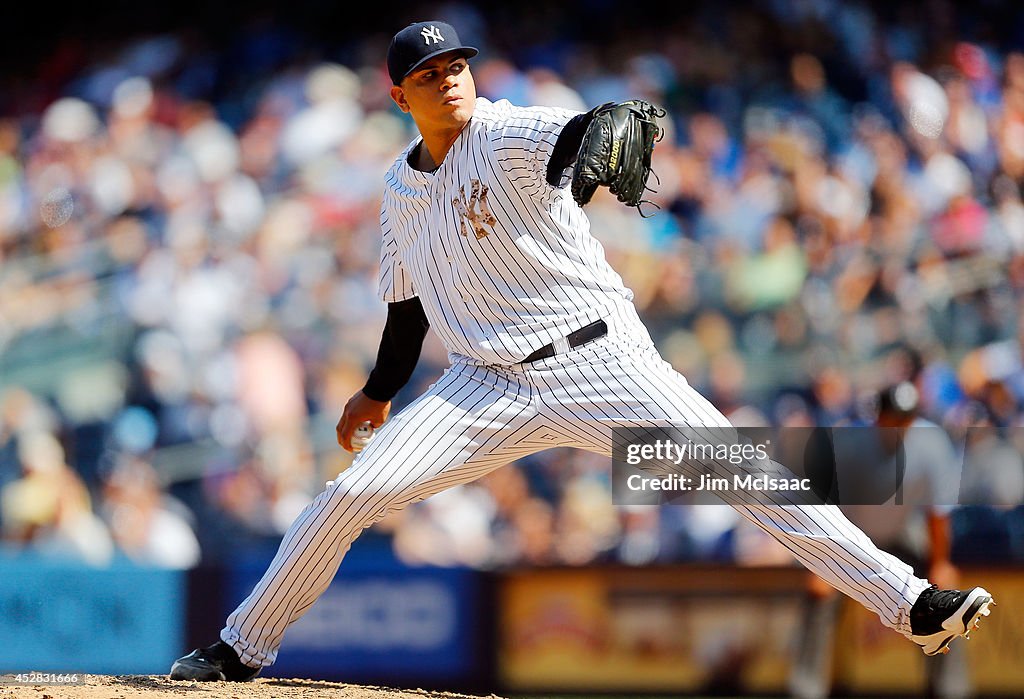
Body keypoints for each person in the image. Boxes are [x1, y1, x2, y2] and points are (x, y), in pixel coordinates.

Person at [169, 21, 994, 682]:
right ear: (399, 96)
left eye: (457, 64)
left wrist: (607, 133)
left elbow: (576, 134)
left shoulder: (507, 133)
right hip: (482, 385)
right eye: (429, 73)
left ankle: (913, 604)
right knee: (349, 493)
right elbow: (408, 307)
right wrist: (379, 391)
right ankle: (243, 646)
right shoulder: (398, 187)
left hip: (603, 364)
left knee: (752, 479)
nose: (449, 77)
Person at [789, 383, 971, 699]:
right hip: (849, 538)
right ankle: (806, 690)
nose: (900, 426)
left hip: (903, 536)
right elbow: (825, 510)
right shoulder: (850, 445)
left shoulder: (931, 443)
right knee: (820, 596)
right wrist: (822, 566)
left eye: (906, 419)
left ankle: (950, 691)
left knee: (942, 598)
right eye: (893, 418)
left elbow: (938, 513)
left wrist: (940, 563)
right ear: (878, 418)